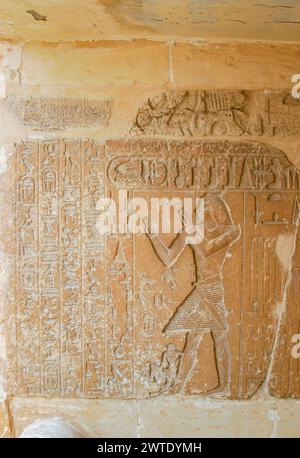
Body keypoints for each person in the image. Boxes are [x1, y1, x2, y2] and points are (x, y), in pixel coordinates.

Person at [145, 193, 240, 395]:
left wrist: (192, 232)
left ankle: (223, 386)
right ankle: (180, 386)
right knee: (195, 339)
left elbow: (208, 249)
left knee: (219, 337)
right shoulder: (193, 232)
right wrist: (153, 234)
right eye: (198, 208)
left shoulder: (229, 231)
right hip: (202, 289)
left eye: (205, 208)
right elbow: (168, 257)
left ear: (218, 211)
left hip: (213, 288)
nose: (199, 212)